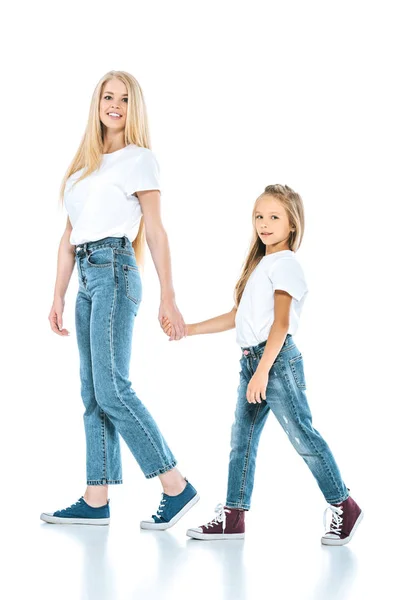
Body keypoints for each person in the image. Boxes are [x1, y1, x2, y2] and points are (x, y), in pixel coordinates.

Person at [161, 184, 363, 546]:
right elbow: (237, 317)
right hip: (255, 362)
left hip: (275, 362)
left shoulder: (286, 265)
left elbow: (281, 325)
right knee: (242, 441)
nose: (264, 224)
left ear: (292, 225)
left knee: (302, 435)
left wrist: (262, 371)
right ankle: (233, 517)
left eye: (274, 217)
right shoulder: (262, 265)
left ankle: (344, 505)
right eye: (259, 216)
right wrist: (187, 329)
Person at [40, 70, 199, 529]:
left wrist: (168, 297)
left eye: (124, 99)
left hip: (114, 269)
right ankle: (96, 499)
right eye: (107, 97)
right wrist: (57, 294)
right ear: (97, 104)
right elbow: (69, 236)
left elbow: (154, 230)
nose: (114, 105)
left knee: (113, 389)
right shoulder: (83, 167)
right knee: (93, 393)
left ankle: (175, 485)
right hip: (86, 278)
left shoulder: (140, 159)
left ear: (135, 108)